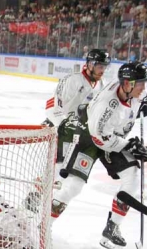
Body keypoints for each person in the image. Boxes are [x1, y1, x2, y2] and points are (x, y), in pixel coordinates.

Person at [51, 62, 147, 249]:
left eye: (144, 83)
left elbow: (140, 102)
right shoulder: (107, 105)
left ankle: (112, 227)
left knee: (132, 175)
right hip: (89, 138)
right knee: (73, 187)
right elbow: (100, 138)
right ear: (127, 84)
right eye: (140, 84)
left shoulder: (136, 91)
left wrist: (143, 106)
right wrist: (130, 145)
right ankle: (43, 226)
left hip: (111, 136)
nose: (144, 88)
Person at [44, 48, 110, 184]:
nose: (102, 70)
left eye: (104, 67)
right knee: (57, 171)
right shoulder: (72, 80)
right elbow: (52, 105)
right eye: (99, 66)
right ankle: (36, 194)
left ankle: (52, 199)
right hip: (62, 128)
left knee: (70, 176)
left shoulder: (102, 85)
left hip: (80, 132)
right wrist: (62, 123)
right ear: (90, 65)